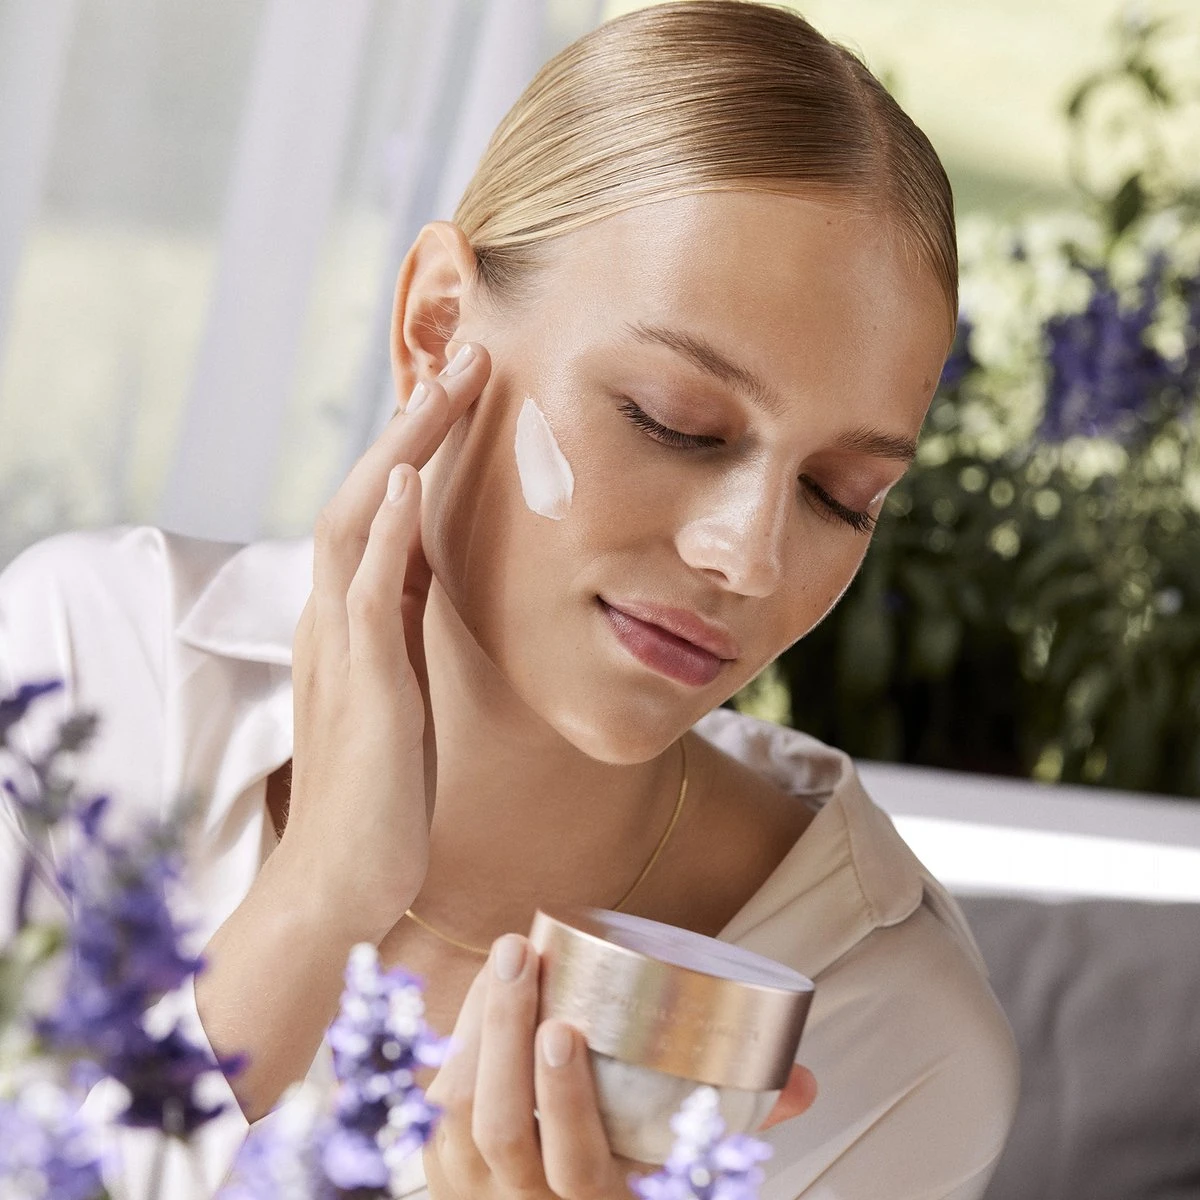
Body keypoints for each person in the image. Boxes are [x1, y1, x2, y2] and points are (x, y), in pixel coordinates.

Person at [0, 2, 1020, 1197]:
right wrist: (318, 899)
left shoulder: (884, 1036)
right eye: (673, 422)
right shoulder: (87, 679)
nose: (749, 556)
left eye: (841, 496)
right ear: (439, 330)